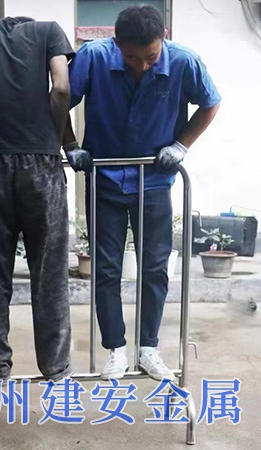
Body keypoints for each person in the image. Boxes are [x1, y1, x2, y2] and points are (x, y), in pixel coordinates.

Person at [63, 5, 220, 381]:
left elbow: (210, 103)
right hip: (105, 180)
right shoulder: (93, 57)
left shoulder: (183, 61)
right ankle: (116, 350)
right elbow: (57, 99)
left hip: (154, 181)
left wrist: (182, 144)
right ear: (116, 42)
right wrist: (70, 144)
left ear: (163, 38)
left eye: (150, 56)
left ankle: (148, 349)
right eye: (133, 58)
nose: (143, 65)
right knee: (105, 269)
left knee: (154, 267)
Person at [0, 16, 75, 383]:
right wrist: (54, 137)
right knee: (49, 270)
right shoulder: (50, 31)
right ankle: (56, 367)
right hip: (40, 163)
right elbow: (61, 87)